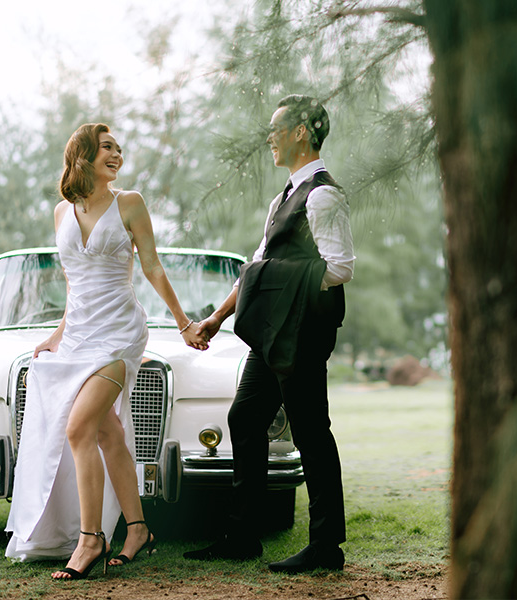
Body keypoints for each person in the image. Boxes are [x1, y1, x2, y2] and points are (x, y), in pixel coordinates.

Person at [5, 123, 208, 580]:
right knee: (107, 432)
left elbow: (152, 266)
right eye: (106, 148)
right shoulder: (61, 213)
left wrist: (183, 323)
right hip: (77, 333)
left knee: (79, 427)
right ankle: (138, 530)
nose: (116, 155)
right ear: (82, 156)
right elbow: (74, 282)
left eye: (119, 148)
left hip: (119, 331)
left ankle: (90, 538)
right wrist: (57, 335)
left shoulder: (129, 203)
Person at [184, 95, 354, 573]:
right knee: (245, 416)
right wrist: (215, 319)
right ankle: (243, 535)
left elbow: (339, 268)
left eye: (276, 128)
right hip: (271, 336)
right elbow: (255, 268)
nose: (269, 137)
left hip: (302, 332)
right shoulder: (283, 198)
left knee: (310, 433)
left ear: (302, 131)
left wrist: (282, 285)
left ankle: (326, 547)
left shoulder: (324, 195)